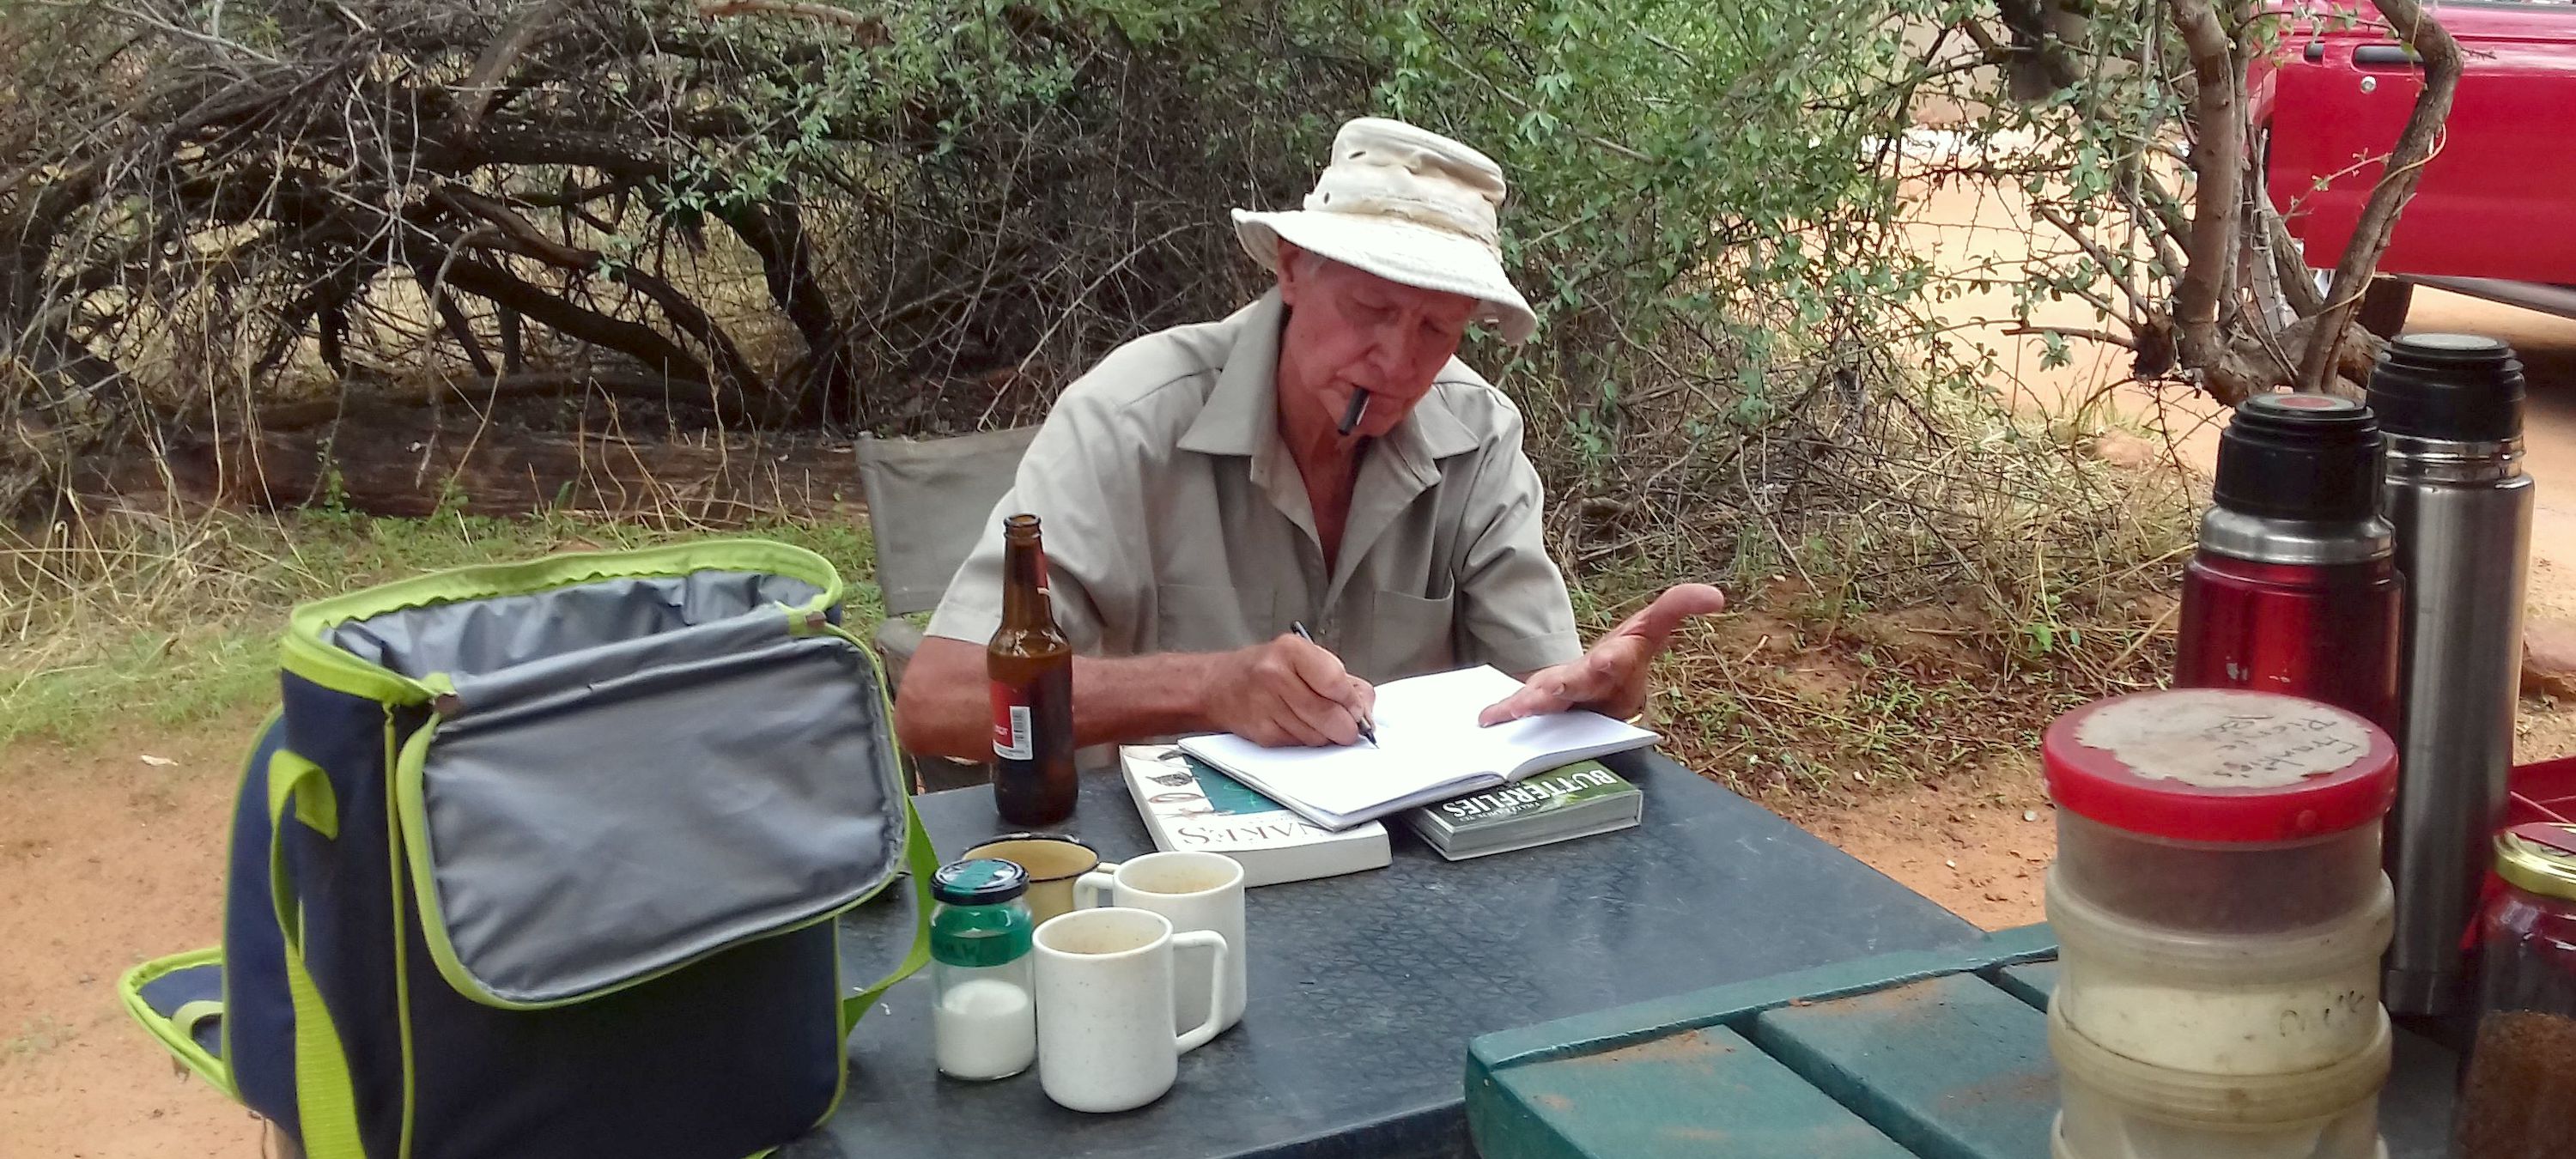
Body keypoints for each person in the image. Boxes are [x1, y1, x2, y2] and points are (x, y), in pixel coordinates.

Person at [893, 116, 1724, 761]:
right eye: (1369, 311)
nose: (1398, 363)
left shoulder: (1478, 440)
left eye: (1438, 330)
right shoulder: (1130, 418)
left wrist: (1598, 700)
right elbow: (938, 702)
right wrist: (1207, 687)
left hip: (1406, 886)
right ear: (1291, 267)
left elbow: (1533, 696)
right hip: (1175, 891)